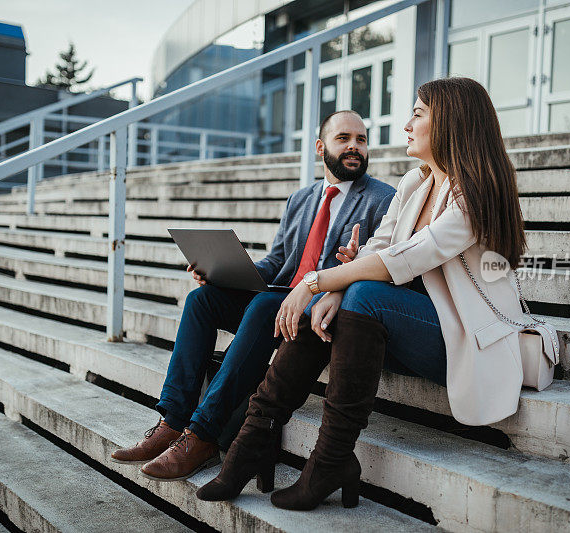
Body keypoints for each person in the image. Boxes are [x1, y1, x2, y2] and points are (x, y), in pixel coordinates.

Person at [196, 77, 530, 510]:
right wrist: (331, 290)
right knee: (338, 302)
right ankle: (251, 444)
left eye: (417, 114)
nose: (407, 125)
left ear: (449, 122)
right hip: (409, 327)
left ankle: (330, 457)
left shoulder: (476, 193)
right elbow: (379, 246)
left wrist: (317, 281)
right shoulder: (415, 184)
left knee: (358, 296)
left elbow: (408, 257)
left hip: (466, 339)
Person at [110, 110, 396, 483]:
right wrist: (224, 273)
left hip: (323, 307)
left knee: (262, 305)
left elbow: (378, 265)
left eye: (361, 139)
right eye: (344, 139)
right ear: (320, 147)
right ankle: (172, 420)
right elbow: (278, 262)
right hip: (279, 297)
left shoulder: (382, 199)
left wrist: (351, 265)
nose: (354, 147)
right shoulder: (302, 198)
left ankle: (202, 435)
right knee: (203, 300)